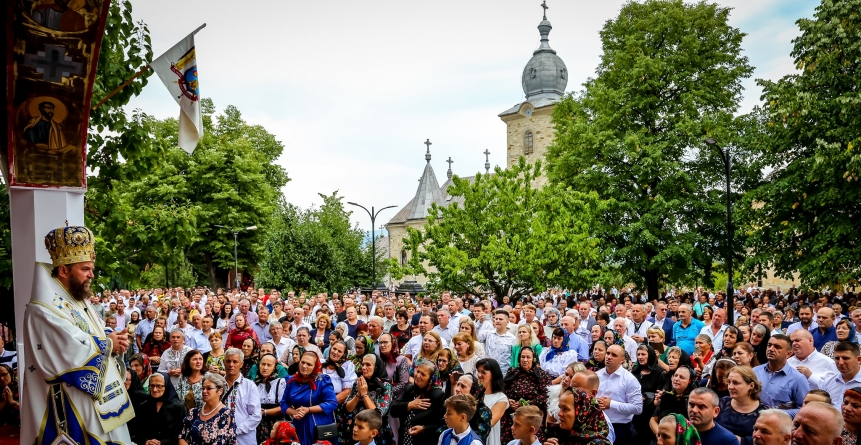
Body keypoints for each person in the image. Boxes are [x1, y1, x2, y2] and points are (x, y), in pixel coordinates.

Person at [21, 226, 134, 445]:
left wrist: (113, 338)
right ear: (63, 270)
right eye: (85, 269)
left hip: (95, 401)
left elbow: (93, 332)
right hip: (68, 402)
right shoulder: (42, 309)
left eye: (92, 268)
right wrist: (108, 344)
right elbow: (68, 349)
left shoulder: (77, 300)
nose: (92, 274)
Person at [280, 351, 338, 445]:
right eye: (302, 362)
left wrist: (308, 410)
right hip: (300, 423)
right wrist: (295, 413)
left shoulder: (322, 380)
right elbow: (283, 403)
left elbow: (332, 403)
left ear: (315, 366)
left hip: (320, 425)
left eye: (309, 364)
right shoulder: (292, 381)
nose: (304, 366)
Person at [500, 347, 553, 444]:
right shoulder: (513, 372)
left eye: (528, 357)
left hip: (531, 416)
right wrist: (508, 401)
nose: (525, 360)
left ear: (534, 359)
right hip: (512, 415)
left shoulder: (542, 375)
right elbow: (502, 391)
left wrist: (526, 405)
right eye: (522, 357)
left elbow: (546, 395)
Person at [340, 354, 394, 445]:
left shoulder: (385, 386)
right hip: (357, 430)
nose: (364, 368)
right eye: (363, 364)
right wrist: (358, 394)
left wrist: (364, 394)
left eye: (368, 365)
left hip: (375, 432)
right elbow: (347, 409)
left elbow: (378, 414)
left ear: (376, 367)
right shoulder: (359, 382)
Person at [391, 360, 446, 445]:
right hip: (404, 439)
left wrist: (424, 428)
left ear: (431, 379)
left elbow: (442, 425)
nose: (417, 375)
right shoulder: (410, 389)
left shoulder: (438, 396)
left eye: (423, 374)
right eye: (418, 371)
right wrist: (409, 405)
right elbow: (393, 410)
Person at [596, 344, 643, 442]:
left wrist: (611, 404)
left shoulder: (630, 380)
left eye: (614, 355)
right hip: (598, 424)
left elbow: (637, 408)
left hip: (621, 428)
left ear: (622, 360)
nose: (609, 357)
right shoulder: (596, 376)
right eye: (608, 353)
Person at [753, 335, 808, 414]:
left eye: (777, 347)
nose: (771, 349)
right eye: (769, 345)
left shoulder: (798, 379)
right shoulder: (755, 371)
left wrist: (778, 413)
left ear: (788, 353)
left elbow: (804, 409)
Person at [179, 372, 236, 445]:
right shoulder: (193, 412)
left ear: (220, 391)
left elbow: (221, 442)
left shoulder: (226, 415)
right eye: (203, 388)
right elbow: (182, 437)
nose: (204, 391)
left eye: (209, 388)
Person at [715, 366, 765, 445]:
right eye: (729, 382)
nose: (730, 387)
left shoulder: (764, 411)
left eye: (736, 383)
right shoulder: (722, 403)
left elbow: (767, 438)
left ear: (751, 385)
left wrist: (743, 440)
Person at [223, 348, 263, 445]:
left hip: (244, 439)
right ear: (224, 362)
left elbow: (256, 415)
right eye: (228, 361)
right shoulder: (217, 385)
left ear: (241, 364)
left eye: (235, 362)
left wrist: (235, 430)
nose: (231, 365)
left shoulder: (249, 386)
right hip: (220, 438)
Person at [139, 372, 188, 445]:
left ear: (166, 386)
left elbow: (183, 432)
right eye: (152, 386)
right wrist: (146, 441)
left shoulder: (178, 407)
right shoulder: (144, 406)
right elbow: (138, 430)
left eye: (159, 386)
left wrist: (161, 443)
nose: (155, 389)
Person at [651, 366, 697, 436]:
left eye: (682, 377)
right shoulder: (666, 396)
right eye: (675, 375)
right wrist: (661, 435)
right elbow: (653, 420)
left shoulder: (693, 401)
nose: (676, 379)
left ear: (690, 381)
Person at [256, 353, 287, 444]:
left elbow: (284, 407)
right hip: (257, 425)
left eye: (269, 365)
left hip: (276, 425)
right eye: (263, 364)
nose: (265, 368)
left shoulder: (280, 382)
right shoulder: (254, 383)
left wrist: (265, 412)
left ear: (275, 367)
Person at [477, 358, 508, 445]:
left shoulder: (501, 398)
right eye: (478, 371)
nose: (479, 375)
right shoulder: (474, 394)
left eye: (483, 372)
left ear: (493, 375)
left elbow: (490, 422)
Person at [821, 341, 861, 410]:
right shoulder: (828, 382)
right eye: (837, 358)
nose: (840, 362)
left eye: (845, 358)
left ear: (858, 359)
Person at [453, 374, 492, 444]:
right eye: (458, 384)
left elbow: (479, 437)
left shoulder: (482, 411)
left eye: (463, 386)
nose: (457, 389)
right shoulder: (454, 407)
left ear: (473, 391)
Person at [479, 310, 517, 375]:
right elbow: (475, 337)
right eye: (496, 319)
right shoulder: (488, 334)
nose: (498, 321)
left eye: (500, 319)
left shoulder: (512, 339)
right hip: (488, 371)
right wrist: (480, 322)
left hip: (503, 373)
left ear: (507, 322)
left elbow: (513, 357)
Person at [323, 341, 358, 406]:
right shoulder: (321, 363)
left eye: (339, 351)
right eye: (334, 349)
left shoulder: (347, 367)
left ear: (344, 354)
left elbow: (347, 392)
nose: (335, 352)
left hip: (333, 404)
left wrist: (326, 405)